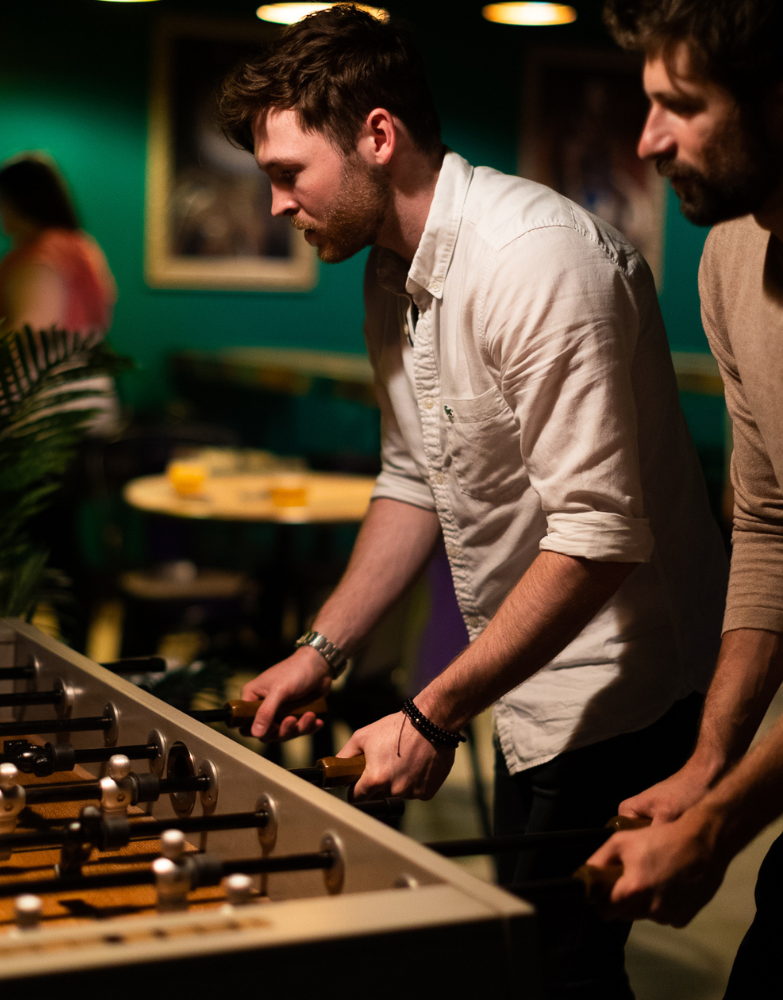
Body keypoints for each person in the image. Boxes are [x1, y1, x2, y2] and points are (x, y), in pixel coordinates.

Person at [217, 7, 726, 997]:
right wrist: (323, 650)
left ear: (377, 135)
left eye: (288, 173)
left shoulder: (536, 260)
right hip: (526, 676)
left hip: (633, 689)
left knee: (553, 968)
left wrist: (433, 713)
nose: (277, 205)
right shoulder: (387, 270)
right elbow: (413, 476)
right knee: (534, 959)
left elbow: (596, 536)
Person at [581, 2, 783, 995]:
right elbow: (770, 523)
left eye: (681, 106)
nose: (645, 139)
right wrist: (711, 756)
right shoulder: (729, 258)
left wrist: (723, 818)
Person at [0, 152, 119, 436]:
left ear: (17, 199)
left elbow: (31, 332)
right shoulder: (84, 247)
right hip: (85, 396)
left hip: (43, 411)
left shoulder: (41, 257)